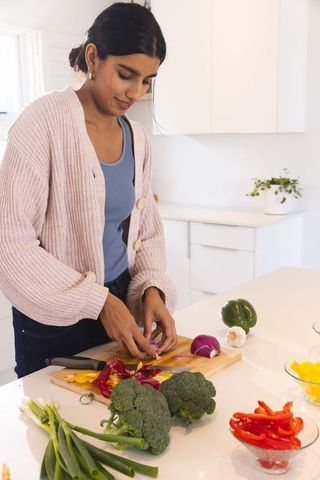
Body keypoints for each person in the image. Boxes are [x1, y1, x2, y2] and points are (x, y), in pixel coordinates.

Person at [0, 2, 177, 378]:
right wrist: (97, 302)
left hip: (120, 302)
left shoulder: (138, 139)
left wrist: (151, 290)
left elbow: (146, 232)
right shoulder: (41, 124)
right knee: (56, 428)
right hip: (53, 320)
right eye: (126, 74)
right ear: (93, 57)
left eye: (147, 80)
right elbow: (10, 242)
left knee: (114, 424)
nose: (136, 91)